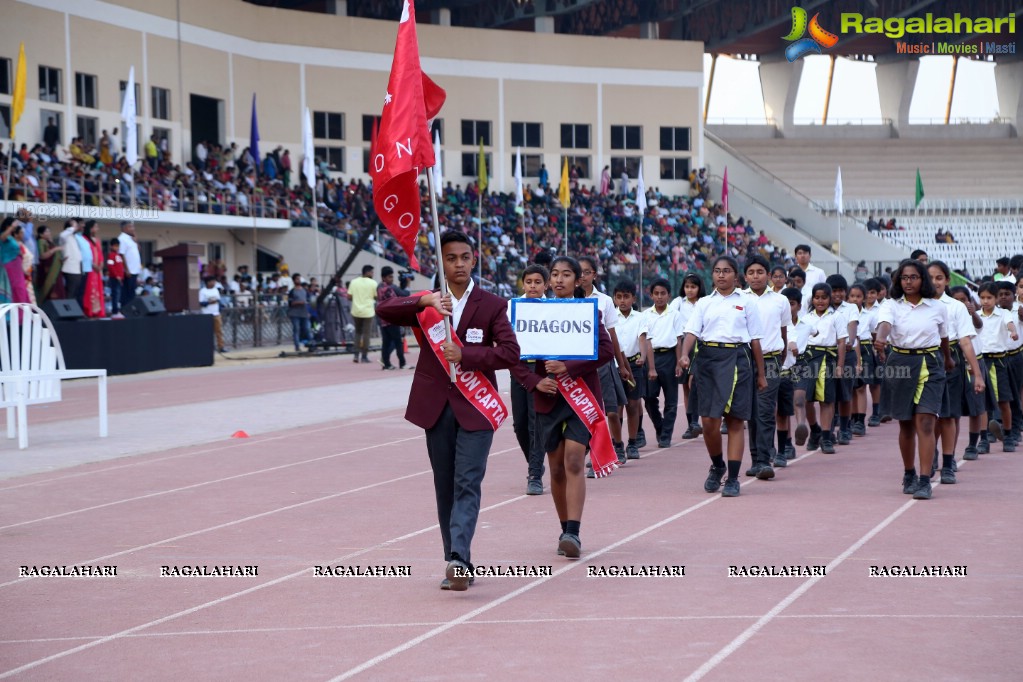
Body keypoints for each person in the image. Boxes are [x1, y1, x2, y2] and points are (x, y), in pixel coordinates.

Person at [377, 231, 520, 591]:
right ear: (441, 263)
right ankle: (454, 558)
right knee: (445, 486)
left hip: (476, 409)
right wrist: (425, 300)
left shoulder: (491, 304)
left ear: (474, 260)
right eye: (451, 258)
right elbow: (384, 310)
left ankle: (459, 557)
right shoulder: (428, 304)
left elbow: (509, 352)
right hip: (435, 408)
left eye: (464, 257)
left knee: (466, 482)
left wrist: (467, 356)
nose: (458, 263)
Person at [512, 255, 613, 558]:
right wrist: (533, 382)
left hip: (580, 397)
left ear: (578, 279)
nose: (558, 280)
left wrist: (569, 367)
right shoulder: (532, 313)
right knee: (555, 468)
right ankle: (563, 527)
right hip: (547, 396)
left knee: (572, 461)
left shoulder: (588, 313)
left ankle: (574, 532)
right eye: (554, 275)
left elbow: (605, 350)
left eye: (566, 275)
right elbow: (514, 355)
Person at [680, 255, 767, 498]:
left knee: (735, 420)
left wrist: (761, 374)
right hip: (707, 361)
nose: (721, 275)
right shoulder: (704, 303)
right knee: (709, 422)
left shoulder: (747, 303)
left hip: (738, 359)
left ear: (735, 276)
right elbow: (691, 332)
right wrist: (685, 355)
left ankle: (733, 477)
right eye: (717, 270)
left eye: (726, 271)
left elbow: (756, 340)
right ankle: (717, 465)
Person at [874, 259, 954, 499]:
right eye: (904, 278)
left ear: (923, 280)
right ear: (898, 280)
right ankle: (909, 473)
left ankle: (924, 479)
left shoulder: (937, 307)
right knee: (906, 424)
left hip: (930, 364)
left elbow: (944, 338)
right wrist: (880, 338)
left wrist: (948, 360)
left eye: (914, 277)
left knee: (927, 422)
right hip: (900, 363)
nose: (908, 282)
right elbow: (885, 325)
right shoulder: (891, 304)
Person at [928, 261, 984, 484]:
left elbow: (966, 342)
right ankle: (930, 453)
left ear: (947, 280)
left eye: (939, 278)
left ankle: (948, 462)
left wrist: (977, 374)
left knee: (949, 415)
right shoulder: (918, 305)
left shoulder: (956, 307)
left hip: (951, 361)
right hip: (927, 360)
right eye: (930, 278)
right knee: (928, 415)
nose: (935, 282)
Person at [578, 257, 630, 465]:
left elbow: (611, 334)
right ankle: (594, 448)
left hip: (601, 361)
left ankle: (617, 445)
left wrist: (621, 364)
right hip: (578, 362)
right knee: (587, 409)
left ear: (594, 275)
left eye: (586, 272)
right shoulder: (567, 299)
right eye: (579, 272)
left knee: (610, 409)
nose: (582, 276)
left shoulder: (605, 301)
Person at [744, 255, 791, 479]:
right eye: (751, 272)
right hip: (744, 360)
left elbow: (783, 331)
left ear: (769, 276)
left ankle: (764, 460)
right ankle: (755, 459)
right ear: (745, 276)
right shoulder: (740, 299)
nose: (756, 276)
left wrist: (780, 357)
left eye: (760, 272)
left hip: (771, 359)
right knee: (750, 411)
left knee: (764, 410)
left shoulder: (780, 301)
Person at [509, 264, 549, 495]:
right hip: (519, 369)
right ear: (523, 284)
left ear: (546, 285)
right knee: (520, 424)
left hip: (542, 371)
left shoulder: (554, 308)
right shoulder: (512, 306)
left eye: (537, 282)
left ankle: (534, 473)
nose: (533, 286)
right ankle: (536, 462)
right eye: (529, 282)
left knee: (537, 423)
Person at [796, 283, 845, 454]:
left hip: (829, 359)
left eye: (824, 297)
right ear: (812, 299)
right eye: (817, 297)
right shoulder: (806, 318)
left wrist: (840, 365)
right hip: (809, 359)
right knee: (807, 398)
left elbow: (841, 342)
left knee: (827, 400)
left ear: (829, 298)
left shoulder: (836, 316)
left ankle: (826, 437)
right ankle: (814, 429)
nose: (820, 301)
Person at [642, 279, 685, 449]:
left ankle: (666, 435)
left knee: (671, 400)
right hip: (651, 359)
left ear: (669, 295)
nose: (659, 297)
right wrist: (650, 366)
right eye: (656, 294)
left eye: (663, 293)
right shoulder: (646, 315)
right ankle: (659, 426)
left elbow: (678, 340)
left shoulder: (674, 314)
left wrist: (679, 362)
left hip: (669, 357)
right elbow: (646, 341)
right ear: (651, 295)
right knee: (649, 397)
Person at [612, 278, 646, 460]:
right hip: (616, 366)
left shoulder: (641, 317)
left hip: (634, 364)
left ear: (633, 298)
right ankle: (617, 444)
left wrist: (642, 356)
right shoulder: (611, 318)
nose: (622, 301)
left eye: (626, 297)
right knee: (616, 407)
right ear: (614, 299)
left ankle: (633, 442)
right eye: (619, 297)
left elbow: (642, 338)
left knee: (633, 405)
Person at [671, 273, 706, 439]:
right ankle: (691, 423)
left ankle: (696, 420)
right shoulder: (678, 303)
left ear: (699, 288)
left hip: (701, 344)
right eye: (687, 287)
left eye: (693, 286)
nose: (690, 290)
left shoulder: (705, 302)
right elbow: (669, 319)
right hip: (685, 344)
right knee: (686, 385)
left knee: (695, 383)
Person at [377, 266, 406, 370]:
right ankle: (402, 363)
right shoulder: (390, 288)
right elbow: (403, 295)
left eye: (392, 277)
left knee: (385, 343)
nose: (392, 279)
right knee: (398, 342)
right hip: (392, 319)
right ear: (384, 277)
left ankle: (386, 364)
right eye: (390, 277)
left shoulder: (379, 287)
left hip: (383, 320)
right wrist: (406, 285)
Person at [348, 264, 377, 363]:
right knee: (366, 334)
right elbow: (376, 297)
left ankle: (356, 355)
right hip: (368, 312)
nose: (373, 274)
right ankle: (364, 356)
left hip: (356, 311)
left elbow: (349, 296)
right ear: (368, 272)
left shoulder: (354, 282)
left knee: (357, 333)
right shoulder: (373, 283)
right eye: (372, 272)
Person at [78, 221, 105, 318]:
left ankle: (97, 311)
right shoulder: (84, 239)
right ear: (90, 228)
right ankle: (89, 311)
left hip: (97, 270)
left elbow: (100, 254)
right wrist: (93, 265)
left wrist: (101, 264)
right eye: (96, 227)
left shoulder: (97, 240)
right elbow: (85, 255)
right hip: (90, 269)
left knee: (98, 289)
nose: (97, 229)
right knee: (89, 289)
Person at [34, 224, 65, 302]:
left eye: (49, 231)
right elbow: (42, 256)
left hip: (55, 270)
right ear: (41, 234)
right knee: (49, 289)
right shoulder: (41, 241)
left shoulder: (49, 242)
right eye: (46, 231)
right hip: (47, 271)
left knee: (57, 289)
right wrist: (55, 249)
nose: (49, 233)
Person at [199, 276, 227, 353]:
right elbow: (201, 303)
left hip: (216, 314)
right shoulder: (203, 291)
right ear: (208, 282)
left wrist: (221, 307)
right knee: (207, 332)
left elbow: (218, 300)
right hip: (207, 314)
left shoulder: (215, 290)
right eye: (212, 281)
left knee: (219, 331)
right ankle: (209, 347)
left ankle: (221, 346)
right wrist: (209, 302)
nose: (214, 283)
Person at [794, 244, 826, 313]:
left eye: (805, 253)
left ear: (810, 255)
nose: (802, 255)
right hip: (795, 309)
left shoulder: (819, 272)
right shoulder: (790, 273)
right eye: (800, 253)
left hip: (814, 309)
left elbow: (825, 291)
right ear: (795, 256)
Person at [117, 221, 142, 308]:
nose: (133, 229)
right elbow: (121, 254)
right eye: (130, 227)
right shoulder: (122, 239)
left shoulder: (131, 238)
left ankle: (131, 311)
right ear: (124, 228)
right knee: (126, 293)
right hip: (128, 271)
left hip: (134, 270)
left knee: (132, 293)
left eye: (133, 227)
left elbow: (138, 249)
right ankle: (125, 310)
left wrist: (136, 240)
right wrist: (126, 269)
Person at [59, 219, 83, 304]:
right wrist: (72, 227)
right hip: (69, 268)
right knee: (70, 291)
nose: (77, 227)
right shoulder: (65, 236)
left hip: (77, 268)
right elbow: (62, 235)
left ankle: (73, 311)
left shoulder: (74, 237)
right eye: (75, 225)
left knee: (76, 292)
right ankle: (68, 312)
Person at [287, 278, 312, 352]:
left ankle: (312, 344)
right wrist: (299, 302)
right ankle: (297, 346)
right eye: (296, 279)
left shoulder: (305, 291)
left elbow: (309, 301)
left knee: (307, 329)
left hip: (304, 312)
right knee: (296, 329)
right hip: (295, 313)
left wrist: (309, 311)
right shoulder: (292, 291)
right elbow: (290, 303)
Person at [105, 238, 125, 315]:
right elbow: (110, 266)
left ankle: (117, 309)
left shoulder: (118, 255)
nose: (117, 248)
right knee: (115, 294)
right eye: (115, 246)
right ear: (111, 246)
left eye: (118, 246)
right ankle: (115, 310)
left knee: (119, 294)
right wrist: (116, 276)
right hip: (115, 278)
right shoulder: (111, 255)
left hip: (120, 278)